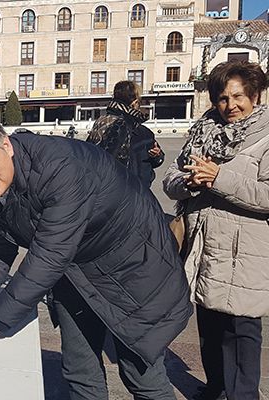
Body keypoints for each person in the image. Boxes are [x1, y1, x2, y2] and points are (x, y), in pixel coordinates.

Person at [0, 117, 192, 399]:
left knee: (141, 377)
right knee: (80, 372)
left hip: (135, 269)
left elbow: (48, 257)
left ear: (6, 146)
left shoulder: (59, 168)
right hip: (76, 270)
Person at [163, 60, 269, 400]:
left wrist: (219, 178)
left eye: (238, 97)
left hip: (245, 251)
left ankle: (242, 396)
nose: (230, 106)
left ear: (255, 95)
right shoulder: (203, 130)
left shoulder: (265, 136)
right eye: (222, 98)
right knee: (209, 329)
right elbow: (170, 177)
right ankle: (216, 389)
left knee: (240, 332)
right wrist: (190, 182)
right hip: (204, 247)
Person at [87, 80, 165, 187]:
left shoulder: (102, 121)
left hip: (106, 190)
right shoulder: (123, 126)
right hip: (128, 192)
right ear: (134, 103)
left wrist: (157, 155)